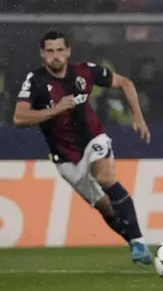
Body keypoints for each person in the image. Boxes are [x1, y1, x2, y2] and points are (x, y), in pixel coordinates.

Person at [13, 30, 153, 265]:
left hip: (92, 139)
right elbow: (19, 118)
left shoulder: (84, 72)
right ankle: (134, 244)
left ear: (68, 52)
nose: (55, 56)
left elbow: (125, 83)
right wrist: (54, 110)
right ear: (42, 54)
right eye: (50, 51)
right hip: (65, 158)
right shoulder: (35, 81)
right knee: (106, 209)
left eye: (59, 50)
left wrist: (137, 116)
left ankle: (139, 241)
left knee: (106, 178)